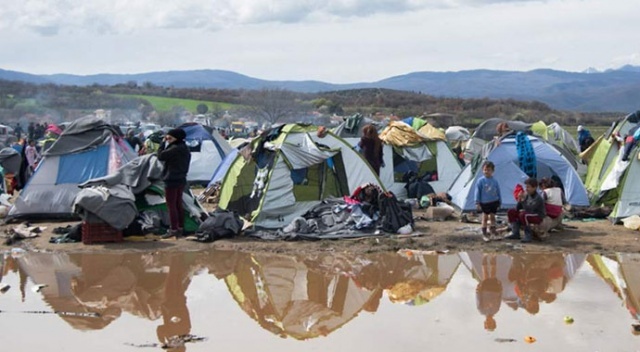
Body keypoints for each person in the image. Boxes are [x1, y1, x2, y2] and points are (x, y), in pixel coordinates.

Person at [157, 128, 191, 239]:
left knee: (171, 205)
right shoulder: (184, 148)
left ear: (176, 138)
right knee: (178, 204)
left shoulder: (175, 149)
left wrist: (162, 143)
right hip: (181, 179)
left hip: (171, 179)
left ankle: (173, 229)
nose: (168, 139)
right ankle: (180, 227)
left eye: (170, 137)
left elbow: (161, 156)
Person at [505, 178, 545, 243]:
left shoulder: (538, 198)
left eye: (528, 187)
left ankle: (528, 235)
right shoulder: (527, 194)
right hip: (528, 213)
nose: (526, 189)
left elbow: (530, 209)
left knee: (523, 215)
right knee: (511, 212)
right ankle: (515, 233)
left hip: (537, 215)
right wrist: (519, 199)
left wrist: (523, 200)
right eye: (526, 187)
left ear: (534, 188)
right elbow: (518, 208)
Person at [474, 161, 501, 241]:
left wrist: (500, 201)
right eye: (485, 170)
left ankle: (493, 232)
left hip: (494, 201)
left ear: (492, 171)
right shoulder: (480, 181)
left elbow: (498, 191)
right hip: (484, 202)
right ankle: (484, 234)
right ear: (482, 170)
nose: (486, 171)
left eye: (488, 170)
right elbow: (477, 192)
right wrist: (477, 202)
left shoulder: (495, 181)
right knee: (485, 218)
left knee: (492, 217)